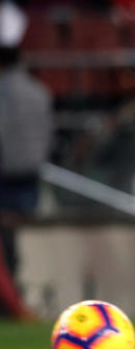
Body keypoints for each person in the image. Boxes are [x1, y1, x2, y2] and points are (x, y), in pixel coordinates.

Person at [0, 0, 52, 319]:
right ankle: (15, 298)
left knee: (6, 244)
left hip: (5, 176)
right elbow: (47, 134)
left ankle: (11, 302)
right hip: (30, 174)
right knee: (13, 242)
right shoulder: (39, 91)